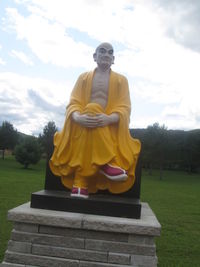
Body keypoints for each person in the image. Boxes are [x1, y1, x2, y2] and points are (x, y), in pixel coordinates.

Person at [49, 42, 141, 198]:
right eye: (102, 51)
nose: (106, 54)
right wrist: (78, 117)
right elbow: (73, 103)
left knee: (93, 109)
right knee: (91, 108)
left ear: (113, 59)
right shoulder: (83, 78)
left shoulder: (121, 80)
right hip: (81, 124)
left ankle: (80, 181)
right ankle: (105, 163)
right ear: (94, 56)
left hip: (109, 127)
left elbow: (125, 107)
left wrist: (109, 118)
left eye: (110, 52)